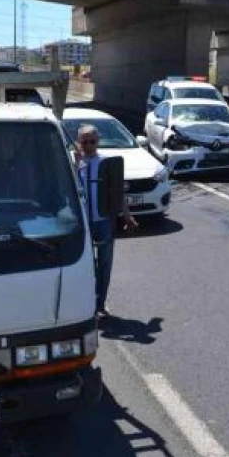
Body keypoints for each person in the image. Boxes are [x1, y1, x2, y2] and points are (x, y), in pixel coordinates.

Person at [75, 124, 137, 317]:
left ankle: (100, 303)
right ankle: (84, 303)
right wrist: (75, 166)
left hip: (103, 221)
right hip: (82, 224)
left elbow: (117, 193)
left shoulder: (106, 163)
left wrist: (127, 216)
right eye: (85, 141)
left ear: (98, 141)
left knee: (104, 263)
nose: (89, 145)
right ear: (79, 142)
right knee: (83, 265)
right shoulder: (73, 162)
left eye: (92, 141)